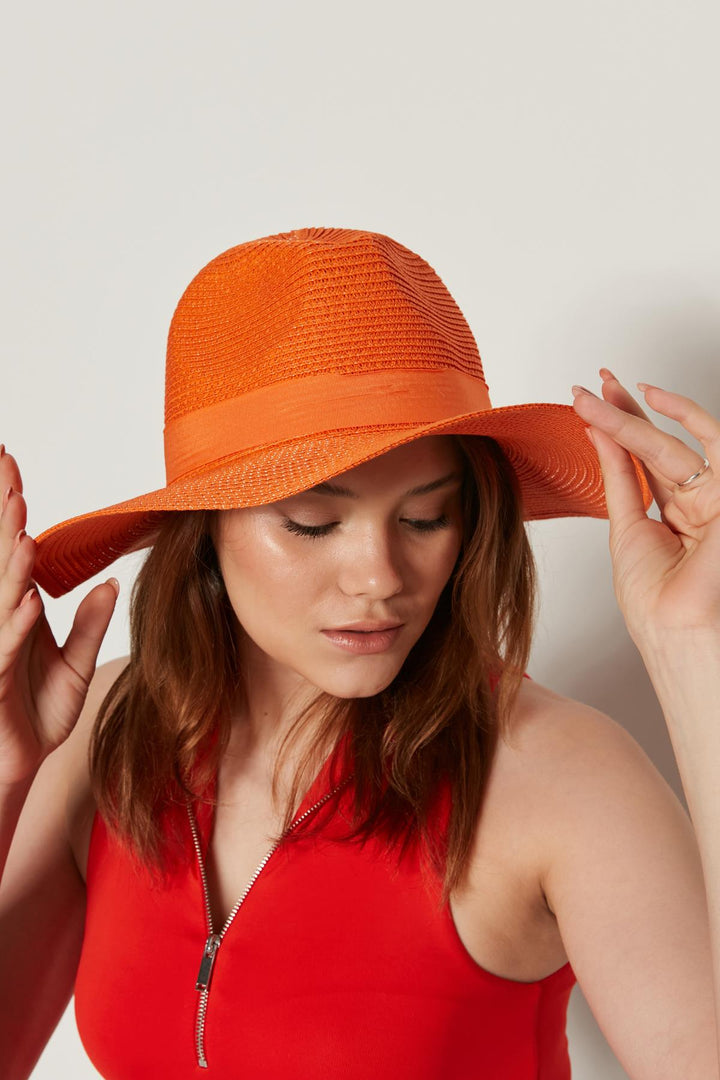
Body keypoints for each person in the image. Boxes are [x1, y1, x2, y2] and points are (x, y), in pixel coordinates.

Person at [0, 227, 718, 1080]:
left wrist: (692, 647)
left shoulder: (558, 777)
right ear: (205, 529)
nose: (380, 578)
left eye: (425, 518)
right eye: (312, 523)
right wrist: (6, 775)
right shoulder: (99, 732)